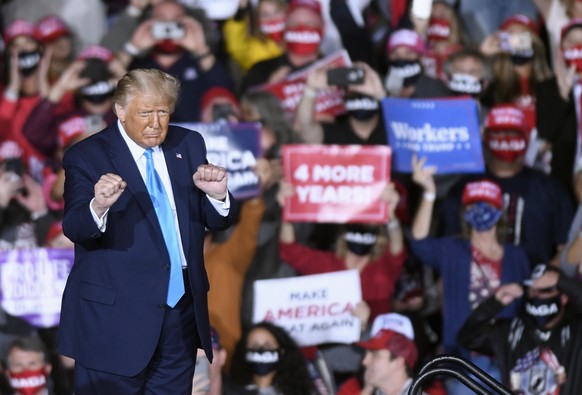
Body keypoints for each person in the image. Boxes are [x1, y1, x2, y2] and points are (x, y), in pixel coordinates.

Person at [57, 68, 238, 393]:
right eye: (145, 113)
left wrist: (218, 195)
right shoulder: (87, 156)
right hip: (114, 321)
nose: (156, 123)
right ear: (120, 111)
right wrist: (98, 206)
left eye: (163, 112)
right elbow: (75, 226)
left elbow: (215, 220)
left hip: (179, 315)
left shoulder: (189, 143)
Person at [410, 157, 531, 395]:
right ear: (464, 212)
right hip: (463, 361)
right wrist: (428, 194)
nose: (480, 211)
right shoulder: (453, 250)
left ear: (500, 211)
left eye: (486, 205)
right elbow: (420, 243)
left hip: (507, 360)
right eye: (473, 205)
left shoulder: (517, 256)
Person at [457, 263, 582, 394]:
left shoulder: (576, 332)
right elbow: (468, 338)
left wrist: (563, 282)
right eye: (532, 288)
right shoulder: (511, 330)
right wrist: (494, 303)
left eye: (546, 290)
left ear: (563, 297)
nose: (536, 294)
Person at [229, 321, 316, 395]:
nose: (261, 350)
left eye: (268, 346)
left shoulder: (300, 391)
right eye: (254, 346)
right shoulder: (228, 390)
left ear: (282, 352)